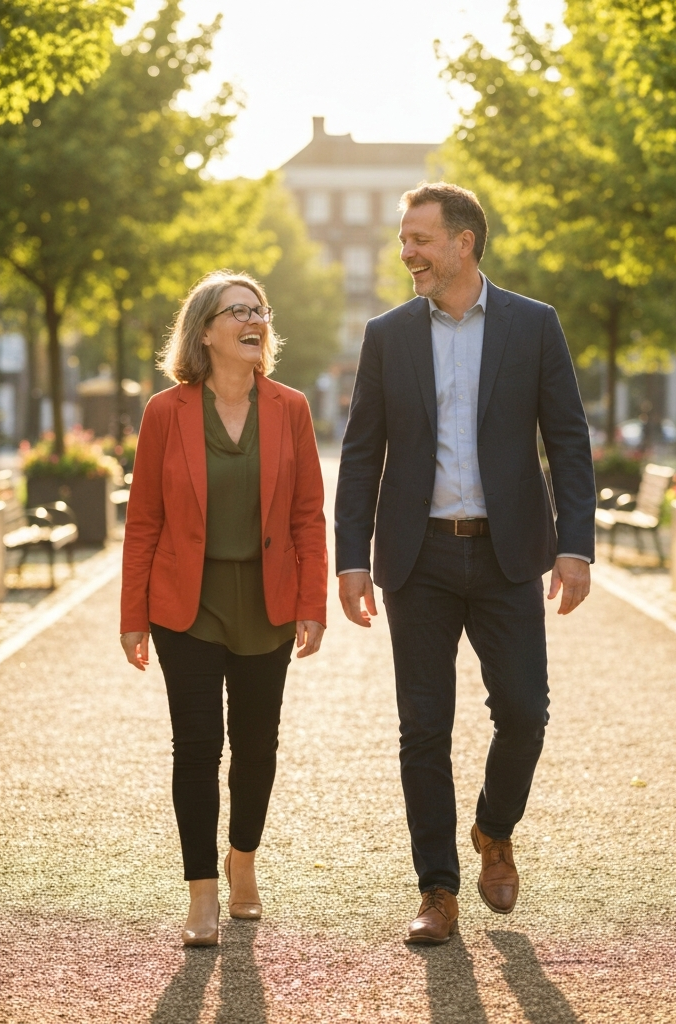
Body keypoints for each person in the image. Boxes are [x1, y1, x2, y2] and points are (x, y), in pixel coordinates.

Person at [335, 183, 595, 945]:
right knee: (423, 728)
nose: (406, 253)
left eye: (419, 240)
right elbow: (361, 453)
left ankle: (494, 828)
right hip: (416, 558)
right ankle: (437, 891)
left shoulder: (533, 325)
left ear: (463, 242)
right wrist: (351, 558)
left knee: (524, 712)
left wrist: (575, 545)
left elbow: (568, 440)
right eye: (403, 240)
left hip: (507, 554)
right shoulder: (388, 335)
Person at [121, 270, 327, 947]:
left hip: (267, 601)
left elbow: (307, 514)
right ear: (205, 331)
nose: (255, 320)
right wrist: (132, 615)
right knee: (196, 745)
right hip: (187, 604)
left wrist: (312, 602)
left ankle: (243, 860)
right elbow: (143, 521)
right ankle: (202, 892)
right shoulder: (165, 412)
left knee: (257, 745)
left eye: (260, 310)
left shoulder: (291, 408)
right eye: (238, 310)